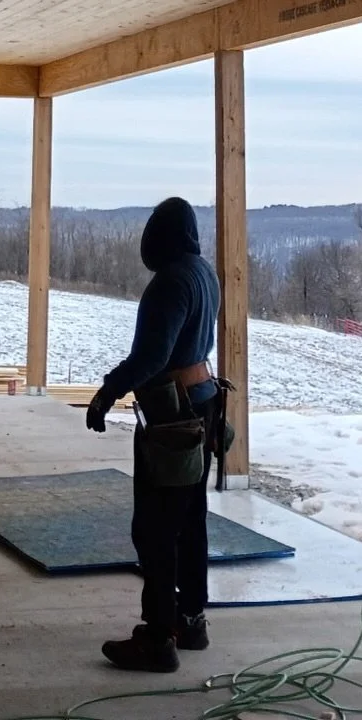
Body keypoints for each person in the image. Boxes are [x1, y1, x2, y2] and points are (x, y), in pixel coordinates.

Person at [86, 197, 221, 673]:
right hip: (201, 403)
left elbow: (152, 358)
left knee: (157, 528)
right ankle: (191, 618)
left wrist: (107, 391)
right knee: (190, 521)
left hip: (171, 417)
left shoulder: (170, 283)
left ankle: (158, 637)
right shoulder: (204, 273)